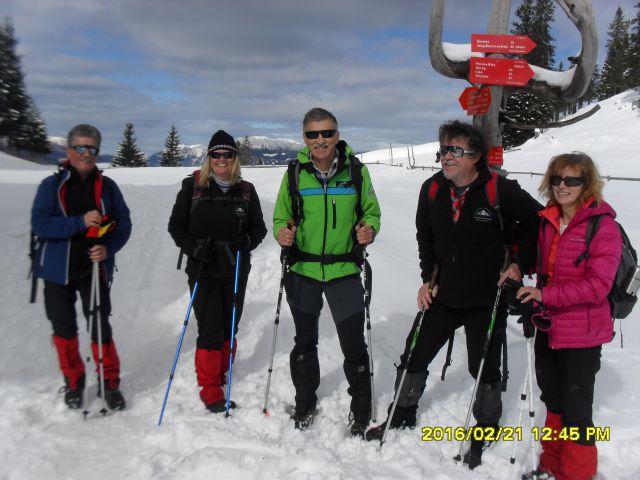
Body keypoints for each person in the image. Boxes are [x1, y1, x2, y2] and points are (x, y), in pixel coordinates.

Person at [365, 120, 542, 466]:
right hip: (443, 294)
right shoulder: (431, 189)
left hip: (485, 300)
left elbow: (538, 220)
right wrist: (427, 278)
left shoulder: (499, 191)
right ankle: (401, 414)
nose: (446, 156)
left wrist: (519, 264)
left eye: (455, 150)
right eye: (443, 149)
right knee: (414, 354)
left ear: (475, 157)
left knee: (484, 368)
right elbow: (425, 236)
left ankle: (486, 428)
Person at [273, 107, 381, 437]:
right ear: (304, 138)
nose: (320, 140)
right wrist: (282, 233)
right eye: (313, 134)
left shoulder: (356, 172)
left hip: (344, 269)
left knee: (354, 345)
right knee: (305, 342)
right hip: (303, 270)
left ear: (337, 134)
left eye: (327, 132)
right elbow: (281, 217)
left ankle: (361, 410)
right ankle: (305, 403)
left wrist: (369, 230)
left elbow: (372, 213)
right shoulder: (294, 173)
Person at [517, 153, 621, 480]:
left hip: (583, 334)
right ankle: (551, 465)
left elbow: (597, 286)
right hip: (549, 327)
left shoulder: (602, 227)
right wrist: (520, 267)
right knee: (554, 402)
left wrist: (544, 295)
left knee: (577, 412)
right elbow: (547, 267)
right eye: (558, 179)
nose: (563, 186)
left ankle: (575, 474)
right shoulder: (550, 220)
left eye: (572, 180)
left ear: (586, 183)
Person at [31, 124, 132, 411]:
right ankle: (74, 382)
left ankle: (109, 383)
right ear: (69, 150)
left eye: (92, 148)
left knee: (101, 328)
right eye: (80, 147)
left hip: (93, 270)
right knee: (64, 330)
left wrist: (108, 248)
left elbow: (123, 225)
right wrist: (79, 222)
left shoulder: (108, 188)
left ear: (97, 152)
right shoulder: (52, 186)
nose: (86, 154)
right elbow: (40, 223)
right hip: (55, 270)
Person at [168, 130, 266, 413]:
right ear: (208, 157)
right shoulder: (193, 187)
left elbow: (258, 228)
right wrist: (194, 249)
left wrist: (245, 241)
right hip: (203, 267)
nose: (221, 159)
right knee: (210, 327)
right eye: (216, 154)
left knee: (230, 324)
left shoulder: (246, 190)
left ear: (235, 158)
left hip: (235, 267)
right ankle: (210, 387)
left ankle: (221, 371)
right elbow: (176, 226)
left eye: (227, 154)